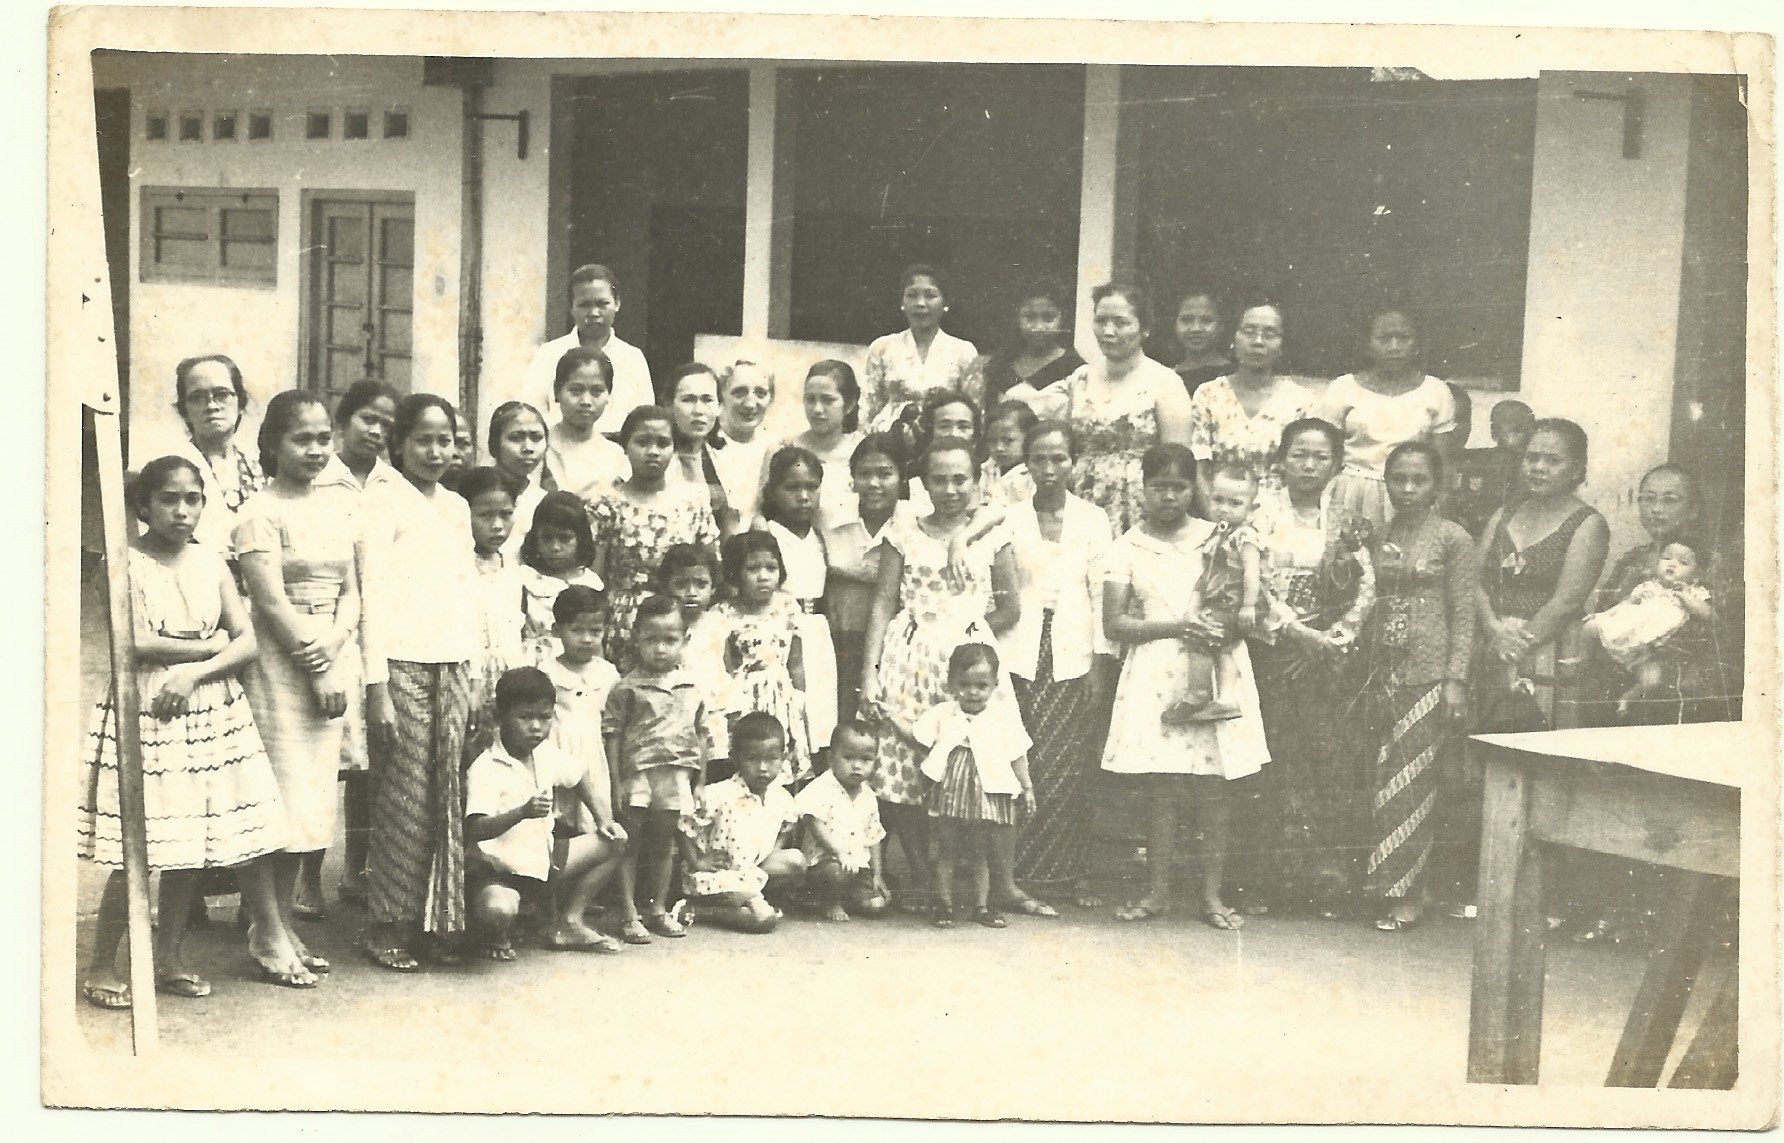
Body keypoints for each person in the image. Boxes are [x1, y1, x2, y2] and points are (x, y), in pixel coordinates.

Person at [78, 456, 304, 1005]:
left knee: (189, 841)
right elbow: (131, 643)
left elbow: (247, 641)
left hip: (210, 703)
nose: (182, 511)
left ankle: (169, 957)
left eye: (193, 499)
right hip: (148, 703)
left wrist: (200, 670)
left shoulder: (210, 564)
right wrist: (208, 647)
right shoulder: (123, 563)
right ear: (144, 506)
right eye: (168, 500)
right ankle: (102, 965)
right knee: (139, 843)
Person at [1100, 443, 1272, 930]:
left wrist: (1220, 627)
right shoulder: (1126, 547)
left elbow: (1245, 590)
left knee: (1214, 787)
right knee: (1162, 788)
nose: (1169, 497)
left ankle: (1212, 895)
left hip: (1215, 666)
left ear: (1193, 488)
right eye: (1159, 487)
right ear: (1143, 488)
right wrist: (1179, 626)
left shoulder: (1219, 534)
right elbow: (1116, 623)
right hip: (1157, 671)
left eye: (1179, 487)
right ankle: (1156, 892)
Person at [233, 390, 367, 978]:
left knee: (309, 805)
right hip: (280, 666)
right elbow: (268, 601)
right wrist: (317, 665)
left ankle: (281, 925)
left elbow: (353, 593)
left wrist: (336, 648)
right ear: (272, 445)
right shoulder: (259, 513)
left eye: (322, 438)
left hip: (330, 657)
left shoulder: (341, 507)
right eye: (301, 439)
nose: (315, 450)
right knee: (275, 806)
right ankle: (265, 933)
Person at [861, 438, 1020, 913]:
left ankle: (985, 884)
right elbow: (882, 604)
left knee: (978, 767)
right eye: (938, 479)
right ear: (923, 482)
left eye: (960, 479)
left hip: (969, 665)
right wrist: (870, 674)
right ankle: (926, 877)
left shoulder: (991, 532)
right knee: (908, 769)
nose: (949, 489)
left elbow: (1011, 605)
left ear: (975, 480)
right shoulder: (904, 530)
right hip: (907, 662)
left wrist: (968, 634)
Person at [360, 394, 481, 971]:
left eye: (446, 439)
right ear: (399, 442)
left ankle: (438, 920)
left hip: (454, 664)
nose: (437, 451)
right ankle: (389, 922)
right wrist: (376, 684)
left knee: (448, 794)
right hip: (401, 663)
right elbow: (371, 597)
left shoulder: (456, 506)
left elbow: (466, 593)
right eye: (425, 439)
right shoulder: (380, 502)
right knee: (405, 794)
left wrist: (475, 671)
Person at [1242, 419, 1375, 916]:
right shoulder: (1260, 511)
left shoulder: (1345, 518)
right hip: (1275, 648)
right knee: (1275, 761)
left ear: (1336, 464)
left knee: (1328, 762)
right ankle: (1267, 884)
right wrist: (1295, 634)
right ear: (1281, 458)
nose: (1308, 465)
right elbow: (1249, 581)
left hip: (1329, 659)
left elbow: (1366, 584)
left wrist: (1334, 640)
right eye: (1299, 454)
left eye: (1320, 457)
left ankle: (1327, 886)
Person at [1355, 442, 1476, 933]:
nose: (1407, 489)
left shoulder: (1453, 538)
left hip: (1428, 674)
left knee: (1413, 782)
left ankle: (1409, 894)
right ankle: (1380, 885)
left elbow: (1464, 613)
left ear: (1436, 485)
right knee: (1380, 780)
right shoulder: (1379, 534)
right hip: (1380, 673)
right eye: (1398, 479)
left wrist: (1455, 679)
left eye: (1418, 480)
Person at [1001, 420, 1116, 910]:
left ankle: (1066, 872)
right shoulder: (1007, 517)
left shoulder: (1093, 520)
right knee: (1021, 759)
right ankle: (1016, 873)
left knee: (1068, 767)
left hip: (1072, 651)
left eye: (1059, 459)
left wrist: (1100, 662)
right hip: (1019, 650)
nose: (1049, 470)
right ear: (1026, 462)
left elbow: (1100, 591)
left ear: (1075, 462)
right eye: (1039, 459)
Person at [310, 378, 400, 910]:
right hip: (330, 629)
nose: (377, 431)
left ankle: (356, 870)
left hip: (378, 630)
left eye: (387, 424)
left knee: (367, 765)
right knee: (323, 762)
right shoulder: (321, 478)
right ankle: (305, 877)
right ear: (343, 423)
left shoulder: (393, 484)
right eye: (368, 418)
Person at [464, 666, 628, 959]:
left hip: (545, 862)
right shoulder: (486, 767)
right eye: (525, 717)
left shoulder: (545, 753)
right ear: (501, 718)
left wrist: (604, 819)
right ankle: (493, 934)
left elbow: (580, 778)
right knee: (498, 909)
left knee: (616, 838)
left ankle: (569, 921)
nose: (537, 727)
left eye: (545, 717)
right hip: (501, 874)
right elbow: (475, 828)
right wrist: (521, 812)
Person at [1013, 283, 1194, 533]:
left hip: (1142, 510)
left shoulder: (1165, 382)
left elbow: (1178, 464)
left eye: (1121, 323)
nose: (1109, 331)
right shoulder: (1080, 378)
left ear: (1145, 329)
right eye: (1101, 321)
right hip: (1083, 503)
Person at [1475, 418, 1611, 728]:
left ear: (1577, 469)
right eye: (1532, 457)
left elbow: (1566, 602)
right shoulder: (1504, 513)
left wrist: (1513, 647)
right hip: (1491, 641)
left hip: (1547, 651)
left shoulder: (1588, 524)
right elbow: (1477, 580)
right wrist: (1494, 631)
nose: (1538, 467)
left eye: (1552, 460)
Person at [1585, 464, 1738, 723]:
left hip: (1681, 687)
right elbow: (1607, 611)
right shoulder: (1632, 560)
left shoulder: (1712, 563)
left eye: (1670, 500)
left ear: (1693, 510)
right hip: (1622, 675)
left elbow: (1720, 630)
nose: (1656, 509)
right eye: (1648, 499)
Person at [603, 595, 716, 944]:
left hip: (675, 775)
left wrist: (699, 783)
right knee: (630, 843)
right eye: (651, 639)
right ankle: (628, 912)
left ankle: (656, 909)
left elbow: (701, 735)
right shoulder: (626, 687)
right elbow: (612, 735)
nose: (661, 649)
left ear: (685, 640)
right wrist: (615, 781)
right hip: (637, 775)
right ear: (636, 638)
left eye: (670, 640)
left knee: (664, 843)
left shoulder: (691, 687)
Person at [588, 406, 721, 670]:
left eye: (663, 443)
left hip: (678, 620)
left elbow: (711, 565)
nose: (653, 451)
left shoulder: (692, 500)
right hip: (625, 621)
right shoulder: (606, 503)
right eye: (642, 442)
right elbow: (595, 578)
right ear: (625, 446)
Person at [915, 642, 1036, 929]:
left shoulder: (1002, 717)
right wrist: (933, 771)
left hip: (986, 792)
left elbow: (1017, 753)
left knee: (981, 852)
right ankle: (943, 903)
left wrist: (1027, 787)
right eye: (965, 684)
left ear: (995, 684)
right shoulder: (944, 713)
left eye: (981, 685)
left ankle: (981, 906)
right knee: (947, 850)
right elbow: (921, 739)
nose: (973, 692)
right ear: (952, 683)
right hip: (951, 791)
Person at [1320, 307, 1460, 532]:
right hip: (1351, 493)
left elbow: (1442, 462)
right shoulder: (1343, 388)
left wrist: (1442, 503)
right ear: (1368, 344)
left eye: (1403, 338)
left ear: (1416, 344)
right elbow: (1326, 456)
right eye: (1384, 338)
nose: (1394, 346)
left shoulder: (1436, 391)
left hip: (1412, 492)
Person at [680, 713, 808, 933]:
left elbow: (786, 828)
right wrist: (697, 860)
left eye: (771, 759)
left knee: (796, 861)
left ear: (784, 757)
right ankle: (698, 910)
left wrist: (770, 853)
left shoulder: (782, 797)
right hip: (718, 875)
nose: (763, 768)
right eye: (752, 759)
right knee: (763, 920)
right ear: (735, 758)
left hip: (751, 869)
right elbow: (682, 825)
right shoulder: (719, 795)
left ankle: (750, 900)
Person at [1187, 299, 1319, 507]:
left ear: (1282, 345)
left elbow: (1306, 472)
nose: (1258, 341)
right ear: (1233, 339)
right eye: (1249, 332)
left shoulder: (1300, 402)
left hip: (1281, 516)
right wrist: (1216, 518)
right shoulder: (1208, 394)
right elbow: (1199, 469)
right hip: (1220, 512)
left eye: (1269, 334)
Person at [1162, 463, 1264, 725]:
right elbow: (1205, 573)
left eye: (1235, 503)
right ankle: (1227, 700)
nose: (1224, 509)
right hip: (1217, 600)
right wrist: (1193, 604)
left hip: (1232, 602)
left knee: (1201, 637)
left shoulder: (1245, 535)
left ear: (1251, 509)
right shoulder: (1217, 534)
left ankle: (1198, 693)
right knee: (1224, 647)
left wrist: (1248, 606)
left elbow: (1252, 573)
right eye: (1218, 500)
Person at [823, 433, 913, 724]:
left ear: (901, 476)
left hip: (893, 644)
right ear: (852, 478)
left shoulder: (916, 520)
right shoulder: (830, 518)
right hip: (839, 639)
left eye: (884, 474)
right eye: (864, 474)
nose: (873, 484)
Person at [756, 445, 839, 754]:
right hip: (783, 631)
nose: (803, 496)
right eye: (792, 488)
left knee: (820, 714)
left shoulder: (819, 535)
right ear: (774, 491)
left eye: (811, 487)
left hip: (817, 630)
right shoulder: (769, 533)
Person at [712, 530, 811, 784]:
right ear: (736, 573)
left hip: (781, 698)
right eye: (753, 568)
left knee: (779, 765)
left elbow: (796, 663)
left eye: (771, 567)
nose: (763, 576)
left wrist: (799, 702)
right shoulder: (724, 613)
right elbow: (723, 668)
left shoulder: (787, 607)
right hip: (742, 700)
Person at [147, 354, 267, 555]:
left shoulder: (261, 470)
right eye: (197, 398)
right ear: (184, 410)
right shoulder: (171, 471)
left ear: (240, 402)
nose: (211, 405)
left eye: (221, 394)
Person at [1582, 540, 1715, 713]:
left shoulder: (1693, 592)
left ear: (1696, 574)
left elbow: (1710, 614)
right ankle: (1582, 658)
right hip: (1625, 634)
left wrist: (1686, 598)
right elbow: (1624, 605)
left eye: (1683, 562)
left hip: (1647, 649)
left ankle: (1628, 697)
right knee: (1589, 627)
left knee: (1652, 680)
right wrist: (1603, 615)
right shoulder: (1647, 586)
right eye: (1666, 558)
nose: (1672, 564)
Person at [518, 263, 654, 432]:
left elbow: (644, 422)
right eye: (584, 305)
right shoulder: (548, 354)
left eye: (602, 304)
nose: (594, 313)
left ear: (617, 304)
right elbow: (532, 414)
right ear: (571, 308)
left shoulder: (633, 358)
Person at [861, 263, 981, 432]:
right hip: (888, 441)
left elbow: (973, 411)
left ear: (945, 302)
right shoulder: (882, 347)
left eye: (930, 295)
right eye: (911, 295)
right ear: (902, 301)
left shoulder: (963, 351)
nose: (920, 303)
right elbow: (867, 409)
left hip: (943, 441)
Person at [796, 719, 890, 921]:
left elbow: (873, 837)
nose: (857, 766)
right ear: (831, 759)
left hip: (857, 865)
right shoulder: (821, 788)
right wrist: (838, 852)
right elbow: (814, 823)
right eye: (848, 758)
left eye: (866, 760)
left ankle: (852, 897)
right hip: (826, 862)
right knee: (833, 873)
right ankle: (830, 902)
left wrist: (877, 874)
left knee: (878, 905)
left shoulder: (868, 796)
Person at [460, 466, 524, 763]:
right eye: (486, 516)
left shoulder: (512, 568)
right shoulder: (458, 565)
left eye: (506, 514)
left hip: (505, 682)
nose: (498, 525)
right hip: (467, 681)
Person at [518, 491, 605, 667]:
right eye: (547, 538)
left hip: (578, 663)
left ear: (580, 539)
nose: (555, 547)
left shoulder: (590, 582)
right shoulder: (526, 579)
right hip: (533, 663)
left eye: (565, 539)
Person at [782, 359, 868, 532]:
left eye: (828, 400)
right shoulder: (787, 449)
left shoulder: (864, 452)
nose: (817, 409)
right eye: (810, 399)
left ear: (849, 404)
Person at [972, 282, 1085, 409]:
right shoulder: (1000, 367)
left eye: (1048, 318)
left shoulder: (1074, 368)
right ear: (1017, 318)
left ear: (1062, 319)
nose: (1038, 327)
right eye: (1029, 317)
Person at [543, 346, 629, 502]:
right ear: (557, 391)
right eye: (575, 390)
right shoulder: (541, 446)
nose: (586, 402)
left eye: (597, 391)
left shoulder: (617, 455)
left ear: (608, 394)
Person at [663, 363, 738, 534]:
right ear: (669, 404)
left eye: (707, 400)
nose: (698, 410)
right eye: (688, 399)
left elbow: (732, 527)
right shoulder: (657, 458)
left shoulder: (727, 459)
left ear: (719, 406)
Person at [1453, 399, 1535, 538]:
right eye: (1518, 430)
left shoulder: (1533, 465)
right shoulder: (1480, 459)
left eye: (1532, 429)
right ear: (1494, 433)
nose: (1528, 436)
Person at [710, 358, 776, 526]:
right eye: (739, 392)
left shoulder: (774, 448)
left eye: (761, 393)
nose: (750, 404)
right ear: (721, 395)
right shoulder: (707, 445)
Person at [487, 401, 551, 563]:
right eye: (516, 438)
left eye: (536, 438)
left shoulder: (544, 502)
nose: (528, 447)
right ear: (494, 444)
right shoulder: (475, 496)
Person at [1171, 287, 1233, 399]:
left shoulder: (1233, 374)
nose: (1196, 329)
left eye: (1206, 320)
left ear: (1221, 326)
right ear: (1175, 325)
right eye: (1186, 320)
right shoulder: (1168, 376)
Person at [981, 400, 1038, 508]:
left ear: (1029, 438)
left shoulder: (1032, 475)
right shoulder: (984, 471)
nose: (999, 448)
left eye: (1008, 440)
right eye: (992, 441)